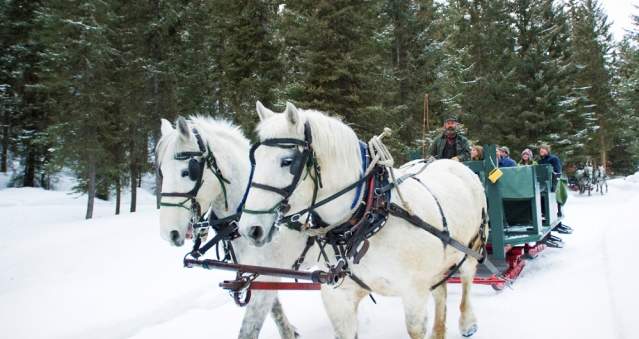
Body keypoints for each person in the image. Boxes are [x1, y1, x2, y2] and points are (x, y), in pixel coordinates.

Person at [538, 144, 572, 234]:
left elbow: (557, 171)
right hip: (542, 186)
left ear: (547, 150)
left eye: (543, 149)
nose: (541, 151)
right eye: (540, 149)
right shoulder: (540, 161)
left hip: (552, 184)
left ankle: (558, 223)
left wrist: (553, 176)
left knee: (555, 204)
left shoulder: (553, 159)